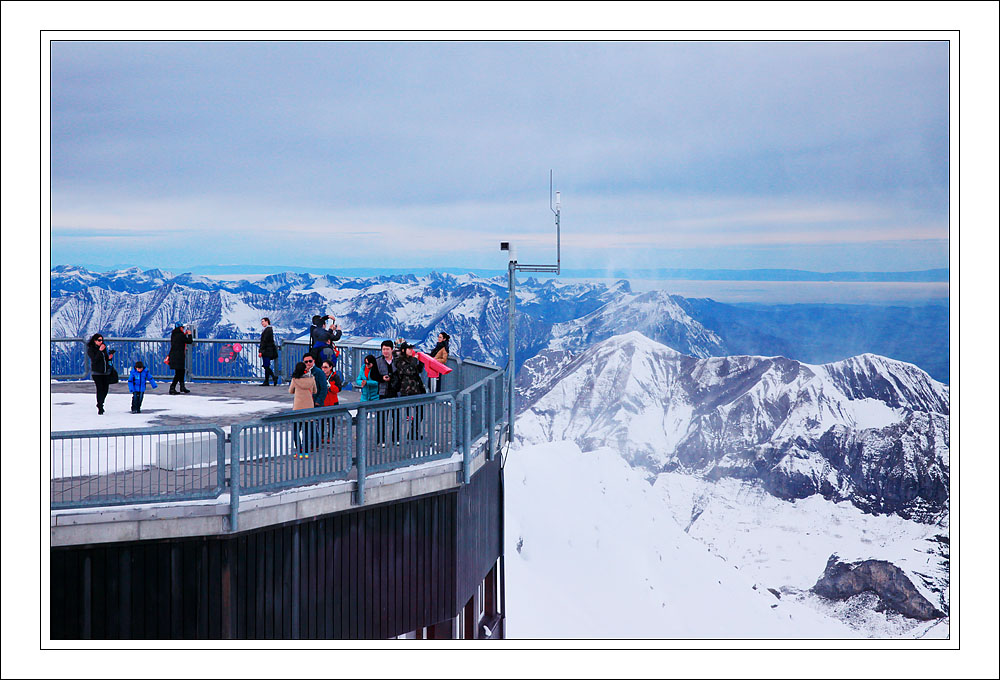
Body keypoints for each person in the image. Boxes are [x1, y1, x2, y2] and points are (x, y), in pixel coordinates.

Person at [394, 342, 427, 440]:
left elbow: (417, 370)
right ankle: (410, 433)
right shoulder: (399, 361)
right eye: (409, 349)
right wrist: (415, 360)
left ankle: (413, 431)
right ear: (403, 350)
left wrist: (421, 362)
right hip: (407, 390)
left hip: (417, 388)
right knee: (411, 412)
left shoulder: (411, 360)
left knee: (420, 412)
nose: (411, 351)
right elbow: (409, 371)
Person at [287, 361, 317, 458]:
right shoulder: (312, 378)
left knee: (296, 430)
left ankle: (299, 450)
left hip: (298, 407)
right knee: (307, 430)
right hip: (309, 407)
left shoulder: (295, 379)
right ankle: (306, 451)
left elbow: (290, 391)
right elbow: (315, 391)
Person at [375, 340, 399, 445]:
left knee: (396, 417)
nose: (385, 351)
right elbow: (373, 375)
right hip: (383, 391)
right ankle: (381, 439)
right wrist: (382, 378)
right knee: (382, 417)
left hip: (395, 391)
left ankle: (396, 438)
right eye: (383, 349)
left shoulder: (398, 361)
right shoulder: (378, 361)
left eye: (387, 349)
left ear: (391, 350)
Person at [86, 333, 115, 415]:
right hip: (97, 373)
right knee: (100, 389)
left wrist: (109, 357)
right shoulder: (91, 349)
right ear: (94, 341)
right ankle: (100, 406)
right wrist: (100, 351)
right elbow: (94, 359)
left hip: (105, 372)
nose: (101, 342)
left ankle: (100, 403)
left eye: (102, 340)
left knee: (105, 389)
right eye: (99, 340)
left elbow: (105, 359)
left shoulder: (103, 348)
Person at [167, 322, 193, 394]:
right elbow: (189, 341)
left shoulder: (174, 335)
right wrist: (189, 334)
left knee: (181, 371)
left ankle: (182, 387)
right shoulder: (181, 335)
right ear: (180, 328)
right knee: (179, 373)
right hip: (179, 356)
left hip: (174, 355)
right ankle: (172, 388)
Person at [258, 317, 279, 386]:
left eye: (263, 321)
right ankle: (267, 380)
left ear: (267, 321)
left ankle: (273, 377)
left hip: (266, 350)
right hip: (268, 350)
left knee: (266, 365)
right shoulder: (269, 329)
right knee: (266, 365)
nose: (262, 323)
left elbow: (264, 341)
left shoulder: (268, 330)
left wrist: (261, 350)